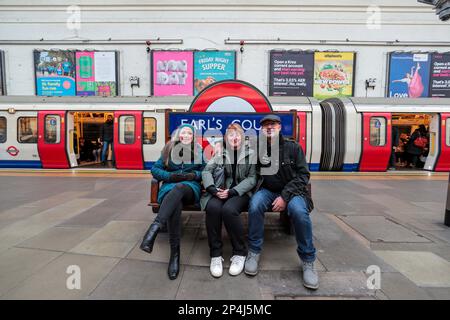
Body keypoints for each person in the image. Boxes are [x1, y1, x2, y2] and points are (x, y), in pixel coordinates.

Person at [245, 114, 318, 290]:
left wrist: (285, 197)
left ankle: (308, 261)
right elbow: (254, 174)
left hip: (293, 193)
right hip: (268, 191)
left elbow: (303, 175)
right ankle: (253, 252)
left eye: (273, 124)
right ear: (262, 130)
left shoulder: (293, 148)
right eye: (265, 125)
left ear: (279, 128)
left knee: (300, 213)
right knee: (254, 206)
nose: (269, 127)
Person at [139, 124, 204, 280]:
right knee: (175, 205)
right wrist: (170, 177)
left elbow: (206, 170)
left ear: (193, 136)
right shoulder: (168, 149)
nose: (186, 135)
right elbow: (155, 169)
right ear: (178, 135)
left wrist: (193, 175)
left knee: (180, 188)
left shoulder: (199, 150)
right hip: (169, 188)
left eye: (190, 133)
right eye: (184, 133)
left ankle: (154, 229)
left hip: (189, 188)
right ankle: (174, 255)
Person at [201, 123, 257, 278]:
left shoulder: (251, 154)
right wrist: (212, 189)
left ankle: (239, 252)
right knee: (212, 208)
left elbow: (253, 178)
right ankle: (215, 255)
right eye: (231, 135)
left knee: (229, 210)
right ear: (226, 138)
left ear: (242, 137)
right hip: (220, 191)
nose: (234, 138)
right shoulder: (220, 153)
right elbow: (206, 170)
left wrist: (233, 191)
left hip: (241, 192)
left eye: (237, 134)